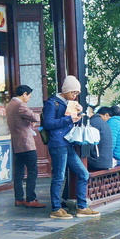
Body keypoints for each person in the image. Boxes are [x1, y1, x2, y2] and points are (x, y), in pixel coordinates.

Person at [42, 75, 98, 219]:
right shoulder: (52, 103)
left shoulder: (68, 103)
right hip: (57, 143)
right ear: (65, 90)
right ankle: (56, 208)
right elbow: (48, 124)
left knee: (83, 174)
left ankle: (82, 207)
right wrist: (69, 118)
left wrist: (77, 115)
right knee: (59, 177)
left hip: (68, 142)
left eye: (77, 93)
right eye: (73, 92)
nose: (74, 96)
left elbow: (67, 122)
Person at [6, 85, 45, 208]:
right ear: (24, 94)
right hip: (26, 143)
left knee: (19, 172)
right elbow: (35, 117)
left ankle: (19, 198)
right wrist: (35, 117)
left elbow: (19, 121)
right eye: (29, 96)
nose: (28, 99)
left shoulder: (9, 105)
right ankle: (31, 199)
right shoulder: (20, 105)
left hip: (16, 143)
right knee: (32, 171)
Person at [88, 107, 114, 172]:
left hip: (97, 161)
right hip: (106, 161)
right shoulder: (103, 123)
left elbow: (89, 145)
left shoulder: (93, 123)